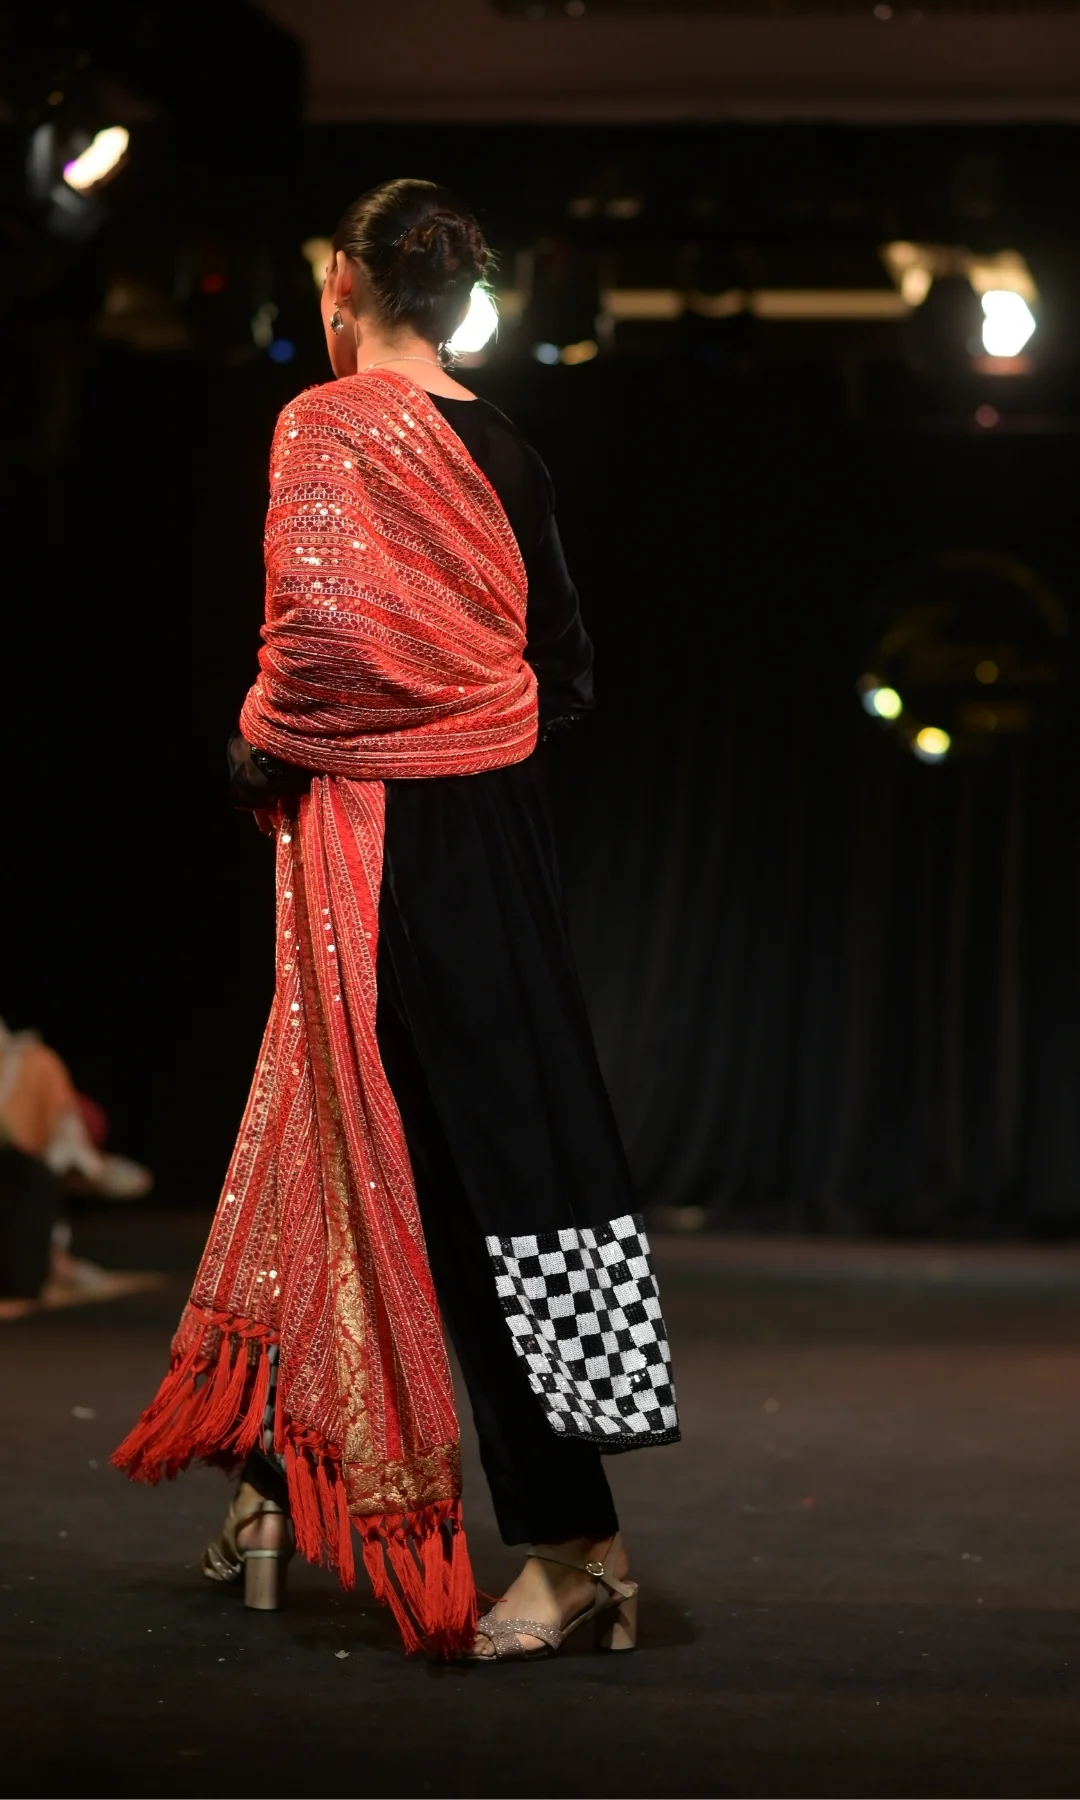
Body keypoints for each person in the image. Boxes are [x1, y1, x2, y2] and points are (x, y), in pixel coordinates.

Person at [113, 179, 678, 1661]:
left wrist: (266, 746)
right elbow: (565, 677)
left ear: (343, 291)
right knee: (423, 1157)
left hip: (381, 845)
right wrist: (461, 726)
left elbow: (317, 646)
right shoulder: (512, 453)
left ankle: (577, 1546)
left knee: (433, 1171)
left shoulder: (325, 427)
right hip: (492, 837)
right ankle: (275, 1484)